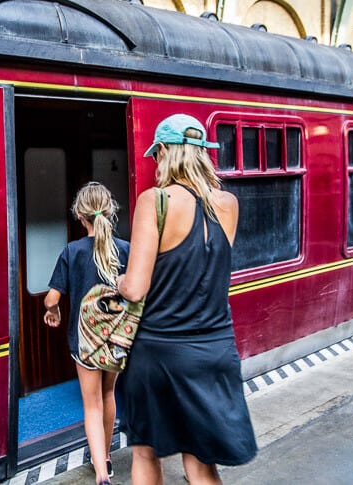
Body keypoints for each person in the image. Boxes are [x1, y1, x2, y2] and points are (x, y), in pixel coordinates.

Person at [116, 114, 257, 484]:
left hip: (161, 352)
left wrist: (117, 280)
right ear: (203, 153)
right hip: (215, 350)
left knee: (146, 453)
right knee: (200, 462)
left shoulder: (155, 201)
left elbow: (135, 288)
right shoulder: (228, 203)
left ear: (163, 152)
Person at [43, 182, 130, 485]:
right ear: (110, 212)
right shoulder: (125, 249)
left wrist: (52, 311)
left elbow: (52, 298)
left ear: (80, 217)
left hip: (85, 341)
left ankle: (102, 475)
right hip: (117, 339)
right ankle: (104, 455)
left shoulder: (72, 251)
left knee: (91, 403)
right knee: (109, 394)